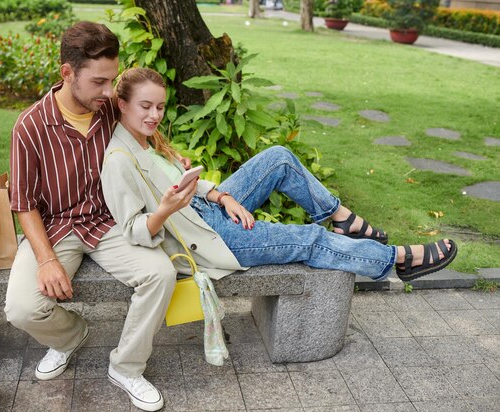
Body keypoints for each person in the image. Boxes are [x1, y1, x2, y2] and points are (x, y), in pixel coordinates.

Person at [101, 67, 458, 293]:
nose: (154, 115)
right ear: (122, 104)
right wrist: (164, 210)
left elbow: (191, 186)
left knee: (278, 159)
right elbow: (134, 230)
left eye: (160, 107)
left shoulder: (148, 142)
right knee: (310, 239)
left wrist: (223, 197)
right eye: (145, 106)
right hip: (206, 239)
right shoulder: (119, 160)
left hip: (205, 211)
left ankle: (342, 218)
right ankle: (397, 259)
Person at [5, 23, 184, 412]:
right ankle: (71, 337)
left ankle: (126, 367)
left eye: (113, 80)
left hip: (109, 222)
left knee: (161, 274)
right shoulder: (30, 127)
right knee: (21, 308)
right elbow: (23, 203)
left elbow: (145, 136)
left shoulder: (106, 111)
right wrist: (48, 260)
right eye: (100, 81)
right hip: (56, 228)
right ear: (67, 73)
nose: (109, 92)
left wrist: (171, 160)